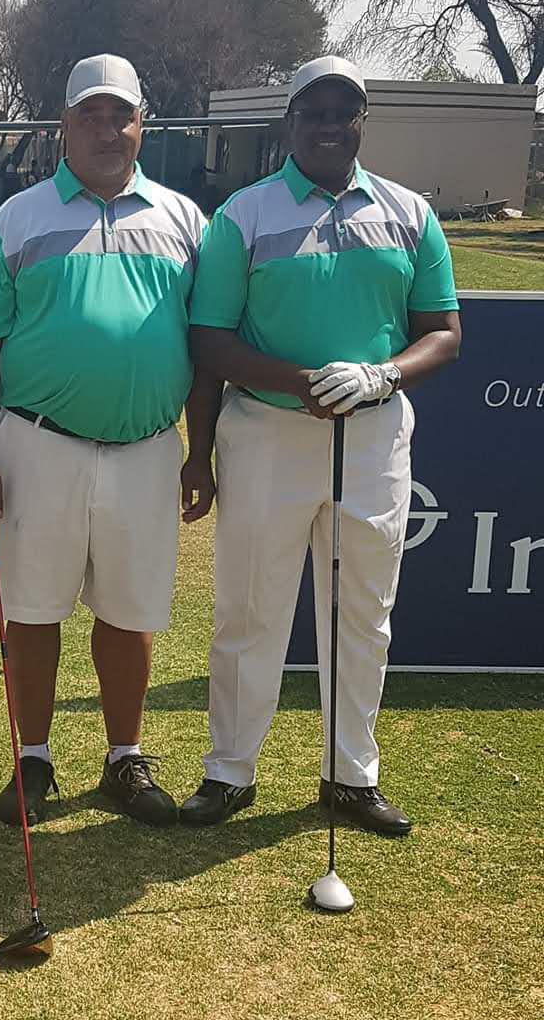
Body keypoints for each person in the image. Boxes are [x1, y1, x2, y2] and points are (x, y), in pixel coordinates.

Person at [181, 56, 461, 835]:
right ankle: (230, 770)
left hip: (372, 435)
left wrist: (382, 375)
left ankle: (350, 774)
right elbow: (210, 339)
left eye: (345, 112)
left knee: (363, 612)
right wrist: (299, 382)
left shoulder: (408, 212)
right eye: (314, 112)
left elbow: (443, 333)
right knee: (250, 609)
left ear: (362, 122)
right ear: (289, 123)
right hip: (270, 431)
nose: (329, 124)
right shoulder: (243, 214)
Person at [0, 54, 217, 828]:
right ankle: (32, 760)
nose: (108, 129)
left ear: (143, 124)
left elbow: (206, 348)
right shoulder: (18, 218)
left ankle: (122, 759)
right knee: (33, 613)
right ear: (64, 126)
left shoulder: (184, 220)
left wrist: (198, 453)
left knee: (128, 611)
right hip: (39, 444)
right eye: (91, 116)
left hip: (146, 446)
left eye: (122, 115)